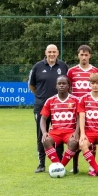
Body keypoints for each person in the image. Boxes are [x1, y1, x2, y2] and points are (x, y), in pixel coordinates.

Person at [29, 44, 68, 173]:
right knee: (42, 134)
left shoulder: (63, 66)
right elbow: (32, 86)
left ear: (58, 53)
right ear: (45, 53)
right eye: (49, 52)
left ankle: (59, 162)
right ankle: (41, 164)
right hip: (41, 106)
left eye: (54, 52)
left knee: (60, 134)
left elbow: (68, 84)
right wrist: (41, 97)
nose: (52, 54)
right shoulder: (37, 66)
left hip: (60, 107)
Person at [39, 75, 80, 171]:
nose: (61, 85)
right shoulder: (50, 100)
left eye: (64, 83)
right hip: (55, 132)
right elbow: (43, 119)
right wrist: (44, 132)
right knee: (45, 140)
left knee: (74, 142)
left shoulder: (76, 100)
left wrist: (77, 132)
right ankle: (59, 166)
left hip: (70, 131)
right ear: (56, 86)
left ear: (68, 86)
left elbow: (79, 118)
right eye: (59, 84)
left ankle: (60, 167)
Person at [77, 73, 98, 177]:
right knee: (82, 144)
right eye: (92, 83)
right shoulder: (84, 99)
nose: (95, 85)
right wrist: (82, 134)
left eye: (97, 83)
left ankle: (97, 169)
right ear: (90, 84)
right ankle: (97, 170)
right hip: (89, 132)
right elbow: (82, 117)